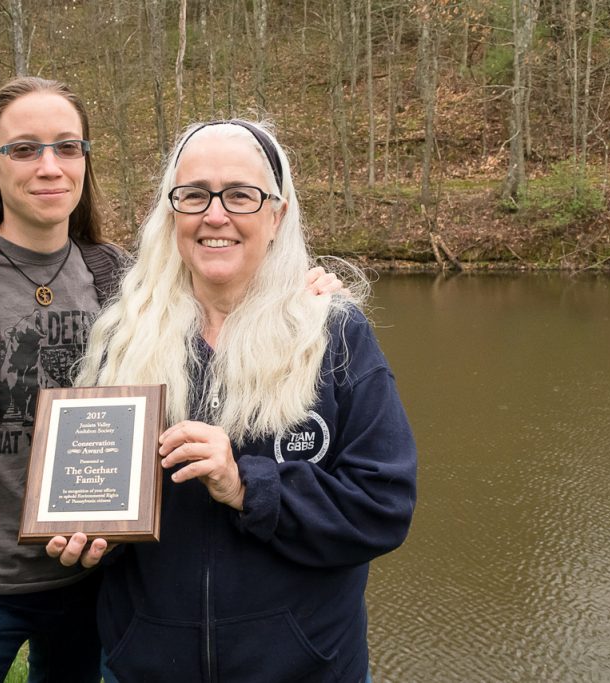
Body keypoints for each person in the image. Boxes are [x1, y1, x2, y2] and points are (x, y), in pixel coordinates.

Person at [0, 77, 342, 683]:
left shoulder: (120, 276)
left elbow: (219, 295)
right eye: (24, 149)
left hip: (95, 585)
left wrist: (298, 292)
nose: (49, 166)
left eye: (67, 148)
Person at [48, 119, 418, 683]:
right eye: (194, 195)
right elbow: (103, 501)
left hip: (305, 669)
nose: (214, 215)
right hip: (147, 668)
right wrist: (94, 538)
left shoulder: (334, 335)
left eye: (240, 195)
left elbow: (381, 509)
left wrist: (246, 486)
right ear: (171, 214)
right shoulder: (123, 338)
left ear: (278, 214)